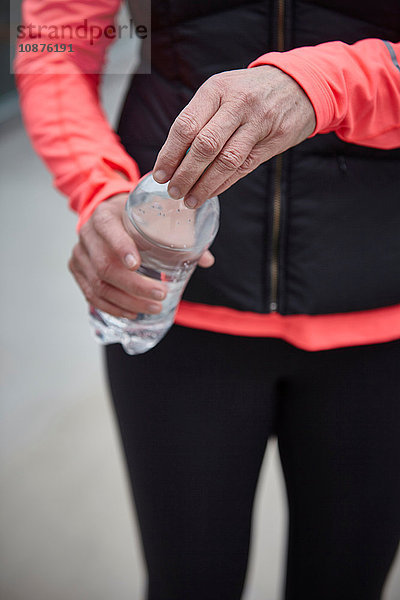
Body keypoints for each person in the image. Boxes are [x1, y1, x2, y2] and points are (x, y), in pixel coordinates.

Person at [15, 1, 400, 598]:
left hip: (384, 322)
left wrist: (332, 84)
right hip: (177, 306)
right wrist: (98, 187)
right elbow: (57, 37)